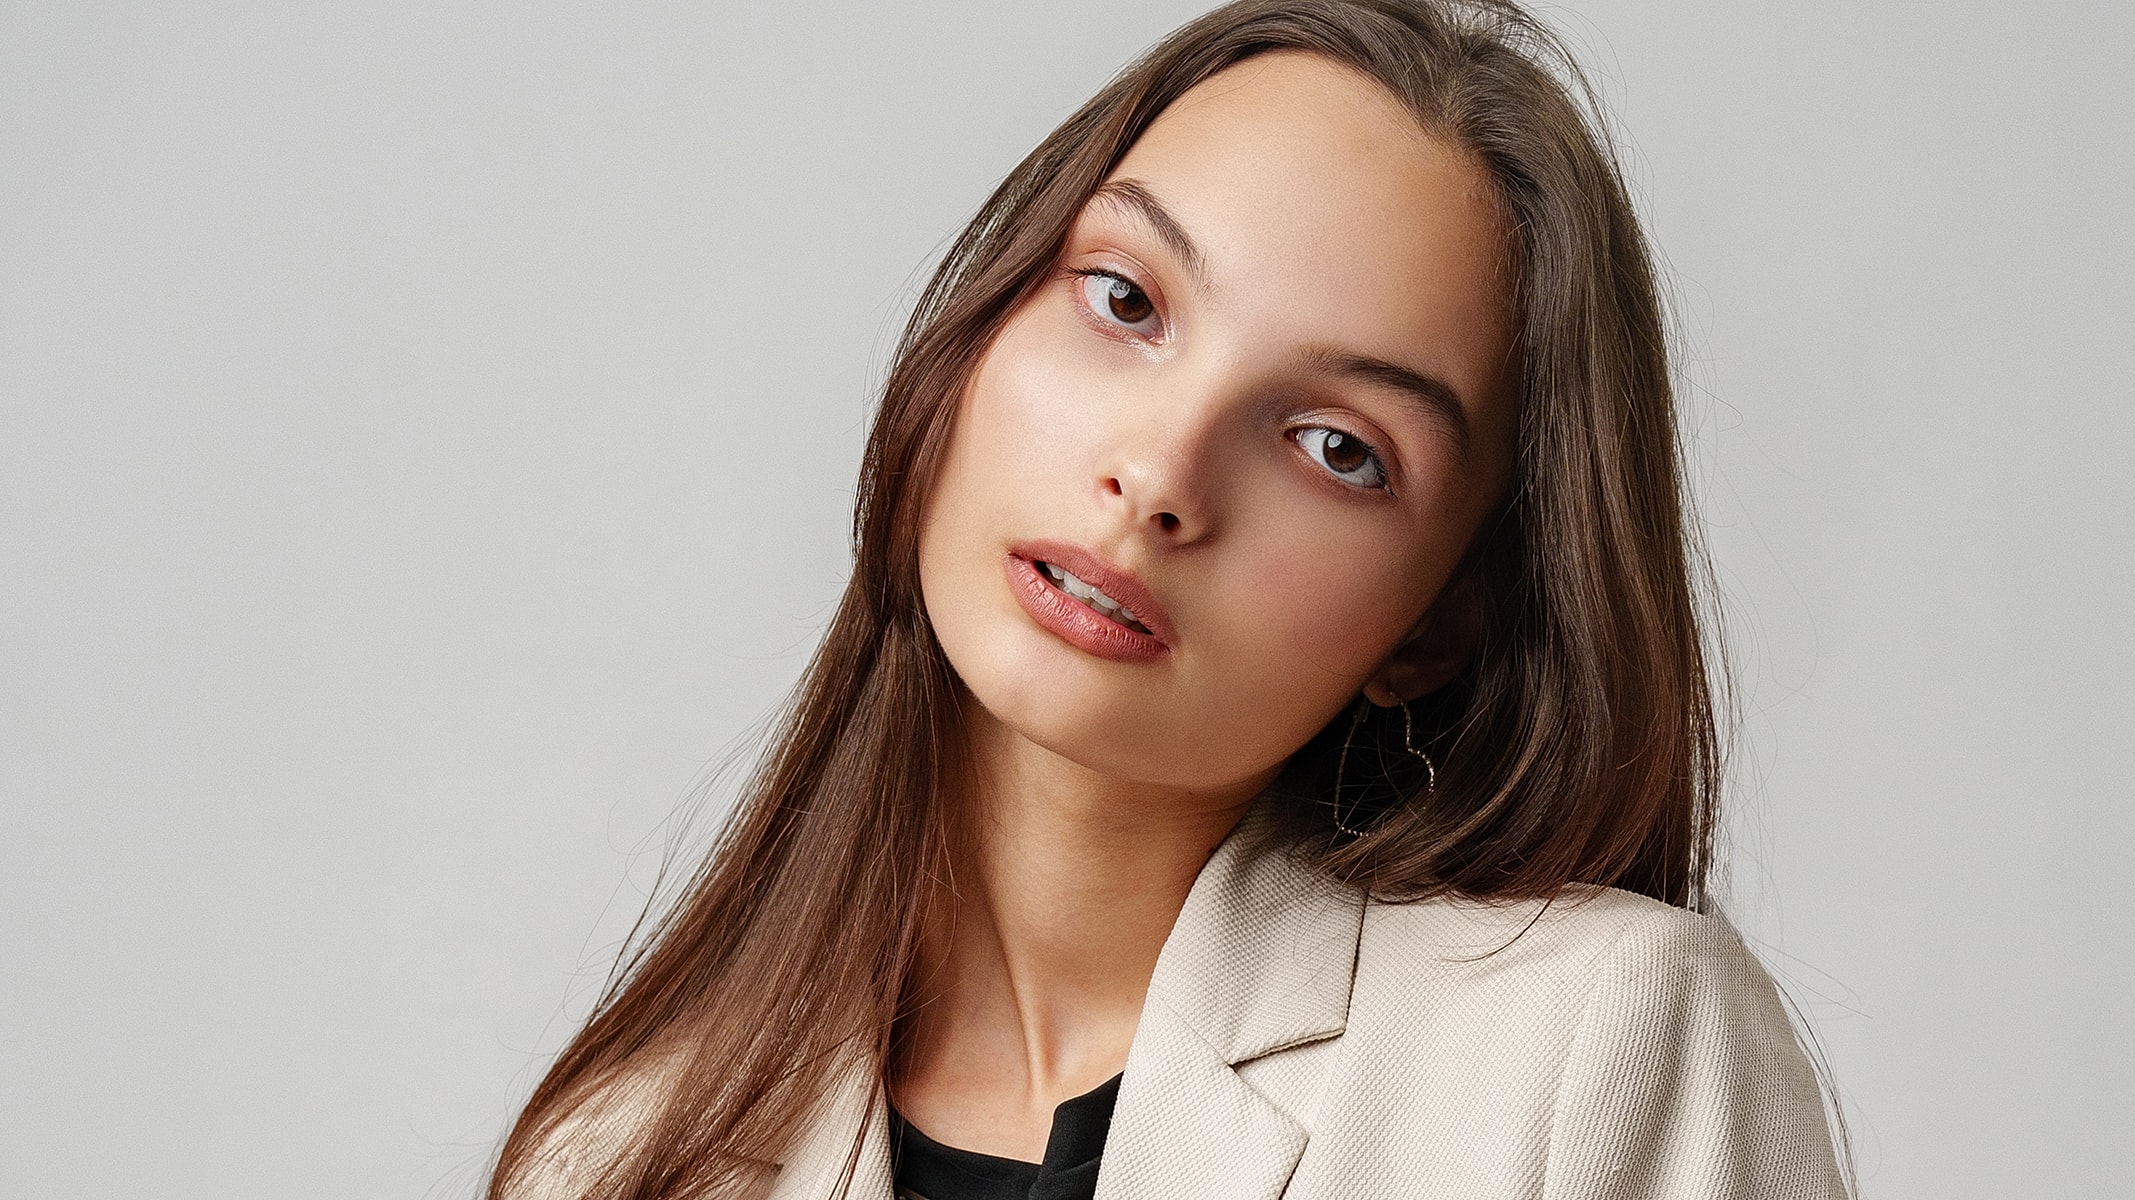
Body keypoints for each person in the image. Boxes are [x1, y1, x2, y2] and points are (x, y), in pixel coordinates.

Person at [491, 2, 1847, 1197]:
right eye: (1126, 298)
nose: (1157, 477)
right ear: (978, 326)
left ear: (1439, 621)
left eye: (1337, 448)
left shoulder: (1592, 1052)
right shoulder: (622, 1159)